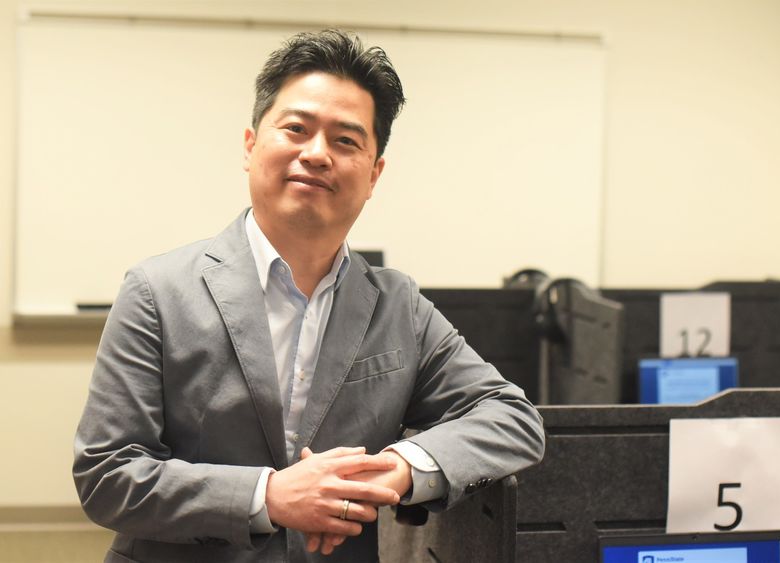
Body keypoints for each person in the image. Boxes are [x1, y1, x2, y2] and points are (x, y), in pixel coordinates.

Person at [73, 29, 545, 563]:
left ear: (373, 175)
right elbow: (107, 474)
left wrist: (396, 470)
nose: (316, 154)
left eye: (346, 140)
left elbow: (512, 417)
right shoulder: (157, 291)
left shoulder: (398, 306)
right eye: (296, 129)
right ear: (251, 146)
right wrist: (268, 497)